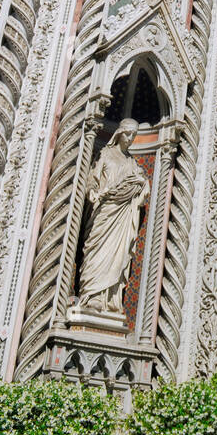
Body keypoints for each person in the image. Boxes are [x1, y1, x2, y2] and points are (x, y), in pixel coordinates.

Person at [78, 119, 148, 313]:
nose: (131, 138)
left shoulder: (132, 162)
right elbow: (93, 179)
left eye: (134, 134)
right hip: (104, 212)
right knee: (97, 251)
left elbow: (142, 191)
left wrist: (141, 185)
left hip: (122, 216)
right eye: (128, 133)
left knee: (117, 255)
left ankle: (110, 299)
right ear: (118, 133)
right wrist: (92, 191)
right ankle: (90, 295)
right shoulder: (105, 154)